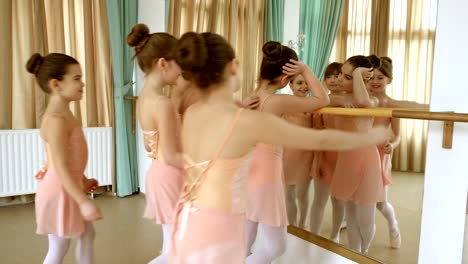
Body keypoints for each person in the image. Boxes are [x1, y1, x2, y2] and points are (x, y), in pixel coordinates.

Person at [168, 32, 392, 263]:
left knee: (248, 230)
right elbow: (322, 100)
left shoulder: (251, 97)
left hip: (248, 169)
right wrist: (304, 69)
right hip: (266, 172)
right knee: (275, 245)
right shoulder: (275, 101)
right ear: (286, 78)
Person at [28, 52, 102, 264]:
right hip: (58, 190)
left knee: (87, 235)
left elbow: (68, 159)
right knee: (59, 246)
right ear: (56, 84)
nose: (83, 83)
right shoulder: (56, 120)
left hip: (67, 186)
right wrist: (83, 201)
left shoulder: (66, 114)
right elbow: (59, 167)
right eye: (77, 78)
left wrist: (84, 180)